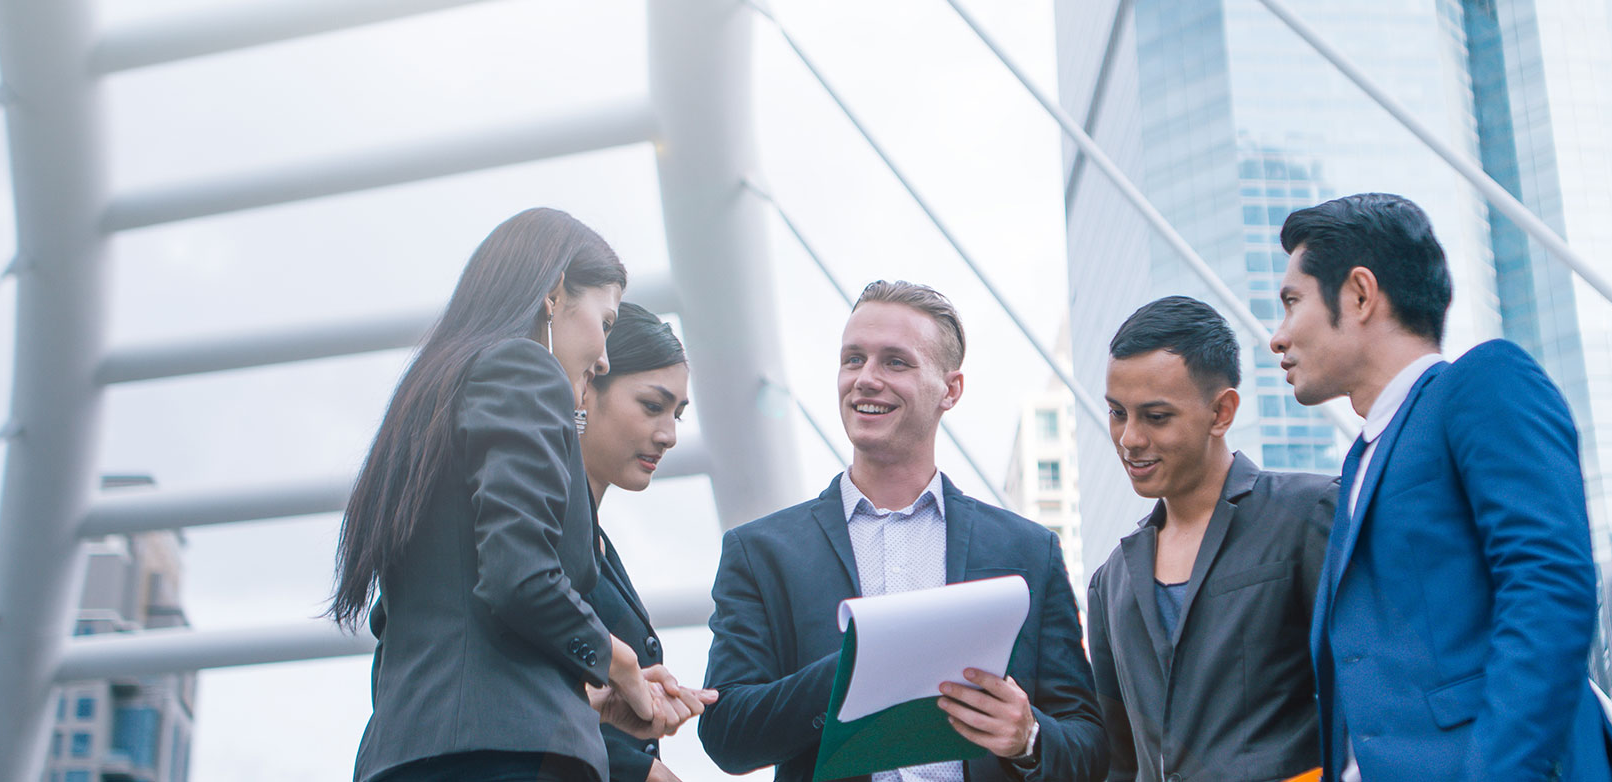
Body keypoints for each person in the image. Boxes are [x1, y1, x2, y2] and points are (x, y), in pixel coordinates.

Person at [1268, 194, 1612, 782]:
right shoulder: (1361, 462)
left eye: (1291, 303)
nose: (1277, 337)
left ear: (1359, 294)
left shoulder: (1480, 384)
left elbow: (1548, 586)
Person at [333, 208, 707, 782]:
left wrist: (584, 706)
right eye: (605, 322)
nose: (603, 356)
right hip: (501, 761)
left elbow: (436, 629)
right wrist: (621, 663)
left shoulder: (431, 399)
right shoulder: (523, 368)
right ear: (555, 294)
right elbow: (518, 574)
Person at [698, 280, 1104, 782]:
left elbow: (1089, 744)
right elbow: (726, 739)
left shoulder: (1029, 551)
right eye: (853, 359)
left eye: (895, 362)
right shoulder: (760, 553)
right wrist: (859, 669)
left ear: (950, 390)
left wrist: (1029, 737)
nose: (865, 378)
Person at [1087, 296, 1335, 782]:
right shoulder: (1109, 582)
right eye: (1118, 413)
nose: (1129, 438)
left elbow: (1368, 693)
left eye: (1155, 416)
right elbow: (1118, 761)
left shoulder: (1309, 514)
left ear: (1222, 412)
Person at [577, 302, 716, 782]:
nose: (671, 435)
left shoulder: (593, 541)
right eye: (653, 406)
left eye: (677, 414)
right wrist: (641, 771)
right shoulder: (524, 526)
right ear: (586, 385)